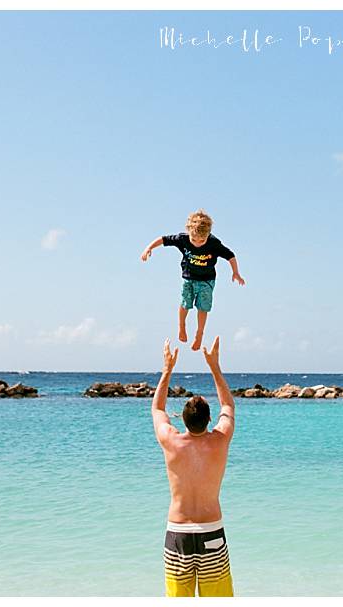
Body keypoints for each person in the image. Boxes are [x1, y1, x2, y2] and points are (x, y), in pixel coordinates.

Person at [151, 336, 236, 597]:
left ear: (183, 421)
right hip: (211, 531)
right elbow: (228, 405)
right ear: (209, 419)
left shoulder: (171, 441)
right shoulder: (219, 441)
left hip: (178, 535)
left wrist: (167, 369)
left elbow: (157, 408)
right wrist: (214, 366)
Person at [141, 209, 245, 351]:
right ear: (189, 232)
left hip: (207, 280)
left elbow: (230, 255)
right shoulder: (182, 239)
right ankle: (182, 327)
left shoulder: (214, 243)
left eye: (202, 240)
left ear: (208, 235)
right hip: (188, 278)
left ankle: (199, 333)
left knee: (203, 307)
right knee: (185, 303)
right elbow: (163, 239)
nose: (197, 243)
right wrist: (148, 248)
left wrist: (236, 272)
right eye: (194, 239)